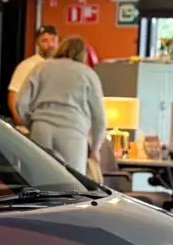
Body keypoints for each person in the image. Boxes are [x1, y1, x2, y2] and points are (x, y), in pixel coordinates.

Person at [17, 36, 106, 174]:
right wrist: (95, 148)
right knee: (72, 181)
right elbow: (99, 117)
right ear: (82, 54)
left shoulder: (41, 67)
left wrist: (32, 124)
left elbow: (21, 103)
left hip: (41, 129)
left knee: (38, 178)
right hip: (73, 132)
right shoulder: (88, 74)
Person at [7, 25, 58, 125]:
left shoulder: (64, 65)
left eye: (53, 40)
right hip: (35, 122)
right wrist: (20, 122)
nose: (50, 44)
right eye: (45, 41)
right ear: (37, 43)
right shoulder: (27, 65)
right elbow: (13, 94)